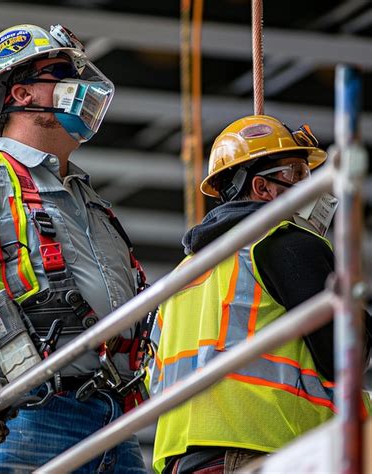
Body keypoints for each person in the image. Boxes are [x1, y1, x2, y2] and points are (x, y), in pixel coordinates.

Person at [0, 23, 148, 473]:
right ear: (22, 94)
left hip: (114, 417)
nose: (79, 89)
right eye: (62, 74)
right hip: (33, 414)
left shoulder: (89, 199)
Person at [148, 115, 372, 474]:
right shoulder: (286, 242)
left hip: (183, 462)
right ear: (263, 188)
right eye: (298, 174)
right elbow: (347, 355)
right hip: (266, 451)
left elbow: (154, 383)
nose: (310, 187)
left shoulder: (178, 280)